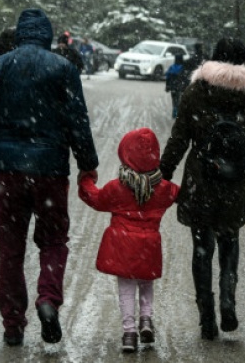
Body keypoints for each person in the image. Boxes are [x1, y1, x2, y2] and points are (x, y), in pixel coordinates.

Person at [0, 8, 99, 347]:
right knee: (54, 240)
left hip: (8, 171)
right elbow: (77, 121)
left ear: (18, 35)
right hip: (50, 170)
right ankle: (48, 299)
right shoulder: (64, 69)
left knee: (10, 250)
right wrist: (87, 162)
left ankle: (13, 325)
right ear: (46, 35)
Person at [159, 37, 245, 340]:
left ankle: (206, 316)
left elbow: (180, 138)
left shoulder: (196, 91)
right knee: (230, 242)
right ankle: (227, 301)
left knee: (201, 248)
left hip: (201, 182)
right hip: (235, 185)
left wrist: (164, 172)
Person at [77, 127, 179, 352]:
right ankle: (146, 319)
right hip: (149, 247)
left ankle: (129, 333)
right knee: (146, 283)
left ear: (125, 154)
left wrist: (86, 180)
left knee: (126, 288)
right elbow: (180, 194)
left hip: (124, 247)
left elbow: (95, 198)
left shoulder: (116, 188)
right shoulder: (162, 188)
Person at [164, 54, 188, 118]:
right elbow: (185, 78)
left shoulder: (171, 67)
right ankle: (178, 113)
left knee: (174, 100)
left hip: (173, 86)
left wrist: (167, 86)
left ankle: (174, 112)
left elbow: (167, 78)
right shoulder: (183, 67)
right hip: (181, 86)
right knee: (179, 100)